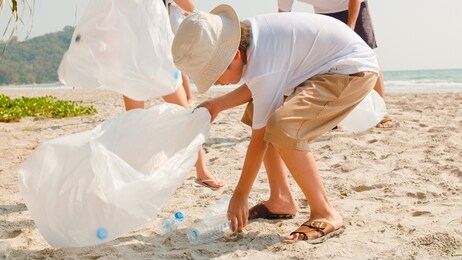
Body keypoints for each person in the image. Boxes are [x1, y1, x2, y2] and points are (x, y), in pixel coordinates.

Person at [171, 5, 380, 242]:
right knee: (259, 111)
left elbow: (259, 137)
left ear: (234, 56)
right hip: (320, 69)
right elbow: (258, 85)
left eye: (215, 74)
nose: (216, 83)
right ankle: (280, 198)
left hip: (350, 70)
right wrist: (217, 104)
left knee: (283, 126)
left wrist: (240, 194)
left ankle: (325, 211)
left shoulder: (262, 59)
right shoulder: (248, 39)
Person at [122, 0, 224, 190]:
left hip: (150, 59)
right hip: (138, 60)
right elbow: (190, 6)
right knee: (137, 122)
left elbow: (189, 7)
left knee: (182, 117)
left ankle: (202, 171)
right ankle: (201, 172)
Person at [278, 0, 393, 128]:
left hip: (354, 6)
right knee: (328, 63)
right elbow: (283, 19)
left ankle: (382, 114)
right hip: (324, 15)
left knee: (367, 56)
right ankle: (332, 118)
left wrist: (350, 27)